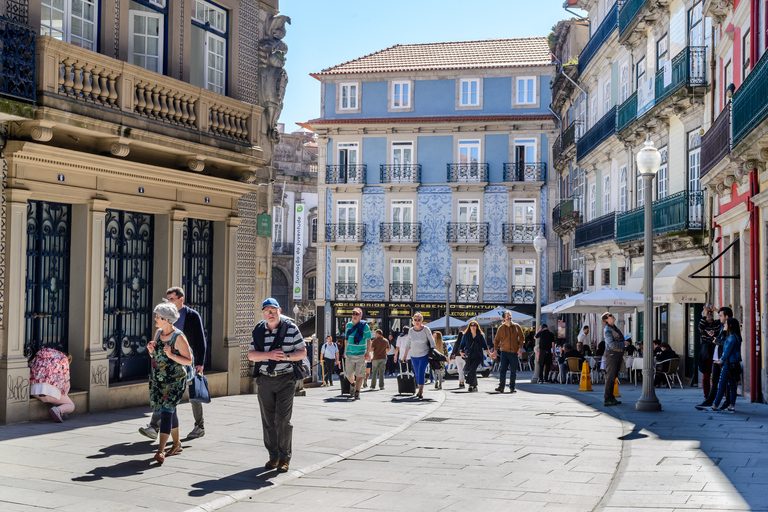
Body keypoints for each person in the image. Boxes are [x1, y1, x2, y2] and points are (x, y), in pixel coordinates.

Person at [140, 287, 207, 441]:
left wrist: (200, 363)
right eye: (168, 299)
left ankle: (199, 425)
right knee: (167, 400)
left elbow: (201, 341)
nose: (169, 301)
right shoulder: (162, 324)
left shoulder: (192, 316)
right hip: (168, 367)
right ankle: (156, 429)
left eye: (172, 299)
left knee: (193, 395)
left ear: (181, 299)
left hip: (185, 363)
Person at [248, 298, 307, 473]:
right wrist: (269, 355)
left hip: (285, 379)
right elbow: (251, 355)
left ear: (279, 310)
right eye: (267, 311)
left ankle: (284, 457)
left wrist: (287, 357)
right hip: (265, 379)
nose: (270, 314)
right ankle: (273, 456)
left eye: (273, 310)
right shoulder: (259, 330)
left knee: (282, 420)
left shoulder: (291, 328)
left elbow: (302, 352)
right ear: (263, 314)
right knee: (268, 420)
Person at [147, 300, 194, 464]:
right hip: (158, 379)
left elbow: (188, 361)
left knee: (167, 410)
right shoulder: (158, 334)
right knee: (170, 411)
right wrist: (152, 352)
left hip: (174, 381)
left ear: (166, 319)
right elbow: (156, 357)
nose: (155, 319)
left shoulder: (178, 337)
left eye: (157, 317)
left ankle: (160, 450)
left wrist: (172, 355)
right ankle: (176, 444)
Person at [696, 307, 733, 410]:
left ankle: (725, 403)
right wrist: (705, 315)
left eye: (720, 315)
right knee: (715, 379)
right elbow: (701, 328)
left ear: (726, 317)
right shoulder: (721, 327)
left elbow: (726, 342)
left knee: (724, 381)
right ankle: (710, 401)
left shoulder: (726, 327)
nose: (717, 316)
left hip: (721, 356)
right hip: (712, 354)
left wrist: (716, 340)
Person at [29, 348, 75, 423]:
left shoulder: (39, 356)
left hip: (34, 390)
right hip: (51, 392)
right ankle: (59, 410)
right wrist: (64, 394)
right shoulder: (63, 358)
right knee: (71, 405)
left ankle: (60, 411)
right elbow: (66, 380)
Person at [708, 317, 742, 413]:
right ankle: (731, 406)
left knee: (721, 385)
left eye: (726, 323)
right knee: (732, 385)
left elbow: (727, 351)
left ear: (730, 325)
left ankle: (715, 405)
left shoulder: (731, 337)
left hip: (728, 364)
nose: (724, 325)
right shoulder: (736, 337)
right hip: (734, 363)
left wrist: (721, 360)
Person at [403, 312, 436, 399]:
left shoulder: (426, 329)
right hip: (414, 355)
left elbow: (432, 342)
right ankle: (419, 389)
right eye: (415, 320)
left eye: (419, 320)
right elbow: (408, 344)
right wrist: (405, 355)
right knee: (416, 373)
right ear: (413, 320)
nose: (417, 321)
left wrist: (431, 352)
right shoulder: (411, 330)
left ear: (422, 320)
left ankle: (420, 391)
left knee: (421, 372)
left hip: (424, 354)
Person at [490, 310, 524, 393]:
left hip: (514, 352)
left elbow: (522, 337)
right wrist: (495, 351)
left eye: (510, 315)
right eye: (508, 316)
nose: (509, 317)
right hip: (504, 352)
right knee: (503, 370)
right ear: (504, 318)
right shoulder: (501, 328)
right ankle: (501, 386)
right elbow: (496, 340)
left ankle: (512, 387)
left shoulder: (516, 326)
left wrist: (520, 349)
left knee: (513, 371)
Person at [344, 308, 372, 400]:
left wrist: (368, 352)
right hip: (349, 353)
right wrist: (345, 351)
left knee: (360, 375)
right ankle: (352, 383)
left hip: (361, 354)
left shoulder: (365, 326)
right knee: (348, 375)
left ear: (360, 315)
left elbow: (368, 340)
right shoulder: (348, 325)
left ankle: (357, 392)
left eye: (357, 314)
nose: (354, 315)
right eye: (353, 314)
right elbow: (346, 339)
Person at [601, 312, 624, 407]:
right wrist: (623, 344)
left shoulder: (614, 327)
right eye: (610, 315)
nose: (612, 315)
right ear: (606, 319)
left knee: (614, 376)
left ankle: (611, 397)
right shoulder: (607, 329)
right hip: (611, 355)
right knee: (610, 377)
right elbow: (611, 344)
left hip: (617, 354)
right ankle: (607, 399)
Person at [698, 305, 720, 399]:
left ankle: (720, 393)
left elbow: (724, 320)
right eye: (708, 312)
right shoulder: (702, 324)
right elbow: (701, 327)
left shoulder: (717, 323)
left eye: (711, 312)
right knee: (706, 375)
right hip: (706, 352)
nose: (710, 313)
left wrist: (717, 310)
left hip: (716, 350)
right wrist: (704, 314)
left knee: (718, 374)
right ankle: (707, 395)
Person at [459, 320, 487, 392]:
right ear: (469, 327)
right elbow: (461, 346)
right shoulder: (466, 335)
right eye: (471, 325)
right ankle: (474, 386)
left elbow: (485, 346)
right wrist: (461, 353)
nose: (473, 327)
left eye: (474, 325)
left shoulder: (480, 336)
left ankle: (470, 384)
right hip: (469, 355)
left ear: (477, 327)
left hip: (477, 355)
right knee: (470, 370)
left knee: (472, 369)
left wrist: (490, 354)